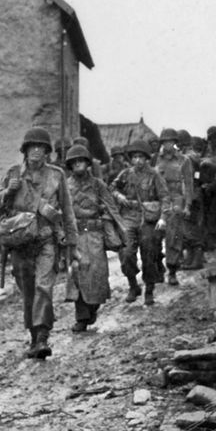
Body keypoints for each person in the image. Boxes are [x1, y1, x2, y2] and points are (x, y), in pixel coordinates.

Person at [0, 127, 77, 361]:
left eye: (41, 148)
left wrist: (72, 244)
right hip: (20, 242)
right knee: (28, 290)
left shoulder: (57, 175)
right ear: (25, 150)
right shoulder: (13, 173)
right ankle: (33, 334)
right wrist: (8, 191)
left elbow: (68, 212)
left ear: (47, 152)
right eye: (32, 147)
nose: (36, 152)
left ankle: (42, 336)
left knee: (43, 286)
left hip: (46, 239)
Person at [61, 141, 123, 333]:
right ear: (70, 164)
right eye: (74, 161)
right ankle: (82, 317)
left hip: (95, 234)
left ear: (88, 163)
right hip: (75, 235)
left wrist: (121, 231)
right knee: (77, 274)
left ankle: (93, 308)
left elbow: (112, 207)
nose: (78, 164)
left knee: (96, 274)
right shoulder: (65, 186)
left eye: (82, 161)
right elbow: (59, 210)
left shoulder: (98, 185)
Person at [111, 142, 167, 301]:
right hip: (128, 217)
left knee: (149, 254)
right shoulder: (125, 174)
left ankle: (149, 289)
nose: (138, 161)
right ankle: (133, 285)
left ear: (147, 159)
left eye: (141, 157)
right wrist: (119, 196)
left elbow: (165, 198)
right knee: (127, 253)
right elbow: (112, 188)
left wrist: (163, 217)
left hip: (147, 219)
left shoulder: (154, 175)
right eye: (135, 157)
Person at [155, 138, 198, 280]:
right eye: (164, 142)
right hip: (159, 198)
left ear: (174, 143)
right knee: (154, 235)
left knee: (173, 235)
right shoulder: (157, 159)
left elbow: (189, 183)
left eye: (170, 142)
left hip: (176, 198)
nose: (167, 145)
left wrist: (188, 205)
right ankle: (158, 265)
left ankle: (172, 270)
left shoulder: (183, 160)